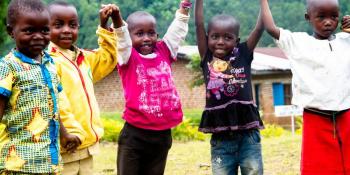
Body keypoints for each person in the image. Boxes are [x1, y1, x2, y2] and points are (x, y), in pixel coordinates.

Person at [260, 0, 350, 174]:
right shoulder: (297, 42)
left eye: (334, 16)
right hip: (316, 117)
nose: (328, 22)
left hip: (346, 116)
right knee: (317, 168)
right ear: (308, 17)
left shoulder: (346, 40)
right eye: (321, 17)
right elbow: (271, 28)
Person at [0, 0, 80, 173]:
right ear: (11, 32)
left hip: (48, 163)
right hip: (18, 165)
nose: (38, 36)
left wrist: (64, 135)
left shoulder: (50, 65)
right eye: (29, 30)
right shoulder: (8, 67)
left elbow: (51, 107)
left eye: (44, 30)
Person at [115, 0, 191, 174]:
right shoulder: (128, 57)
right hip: (135, 135)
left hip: (162, 135)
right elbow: (122, 40)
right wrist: (118, 20)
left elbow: (177, 30)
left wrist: (185, 7)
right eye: (139, 34)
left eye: (151, 33)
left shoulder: (165, 51)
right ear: (130, 35)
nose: (147, 38)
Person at [47, 1, 122, 174]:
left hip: (87, 148)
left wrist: (104, 27)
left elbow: (109, 58)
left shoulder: (83, 59)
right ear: (45, 29)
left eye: (72, 25)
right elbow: (52, 103)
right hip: (64, 148)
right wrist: (64, 134)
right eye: (58, 25)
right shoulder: (48, 62)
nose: (67, 30)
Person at [195, 0, 264, 174]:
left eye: (227, 37)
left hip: (248, 135)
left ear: (237, 40)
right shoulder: (207, 56)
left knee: (254, 171)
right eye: (214, 36)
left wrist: (263, 2)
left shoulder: (243, 53)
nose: (220, 41)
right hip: (221, 137)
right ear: (207, 37)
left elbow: (259, 28)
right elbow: (199, 24)